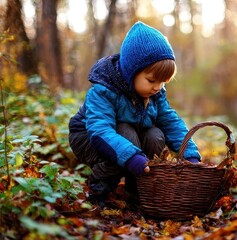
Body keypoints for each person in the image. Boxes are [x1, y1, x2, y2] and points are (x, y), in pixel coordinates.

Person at [68, 21, 201, 206]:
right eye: (152, 80)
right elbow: (99, 130)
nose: (157, 87)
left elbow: (171, 123)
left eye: (163, 82)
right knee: (125, 135)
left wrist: (190, 155)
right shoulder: (104, 90)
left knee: (155, 134)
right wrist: (131, 156)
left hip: (125, 136)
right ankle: (99, 192)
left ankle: (136, 189)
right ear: (132, 72)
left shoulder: (155, 94)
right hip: (89, 137)